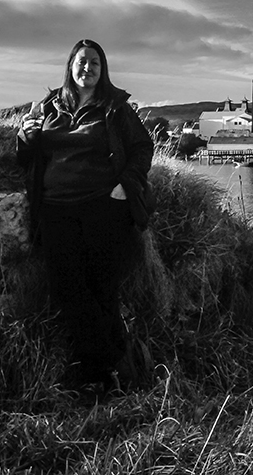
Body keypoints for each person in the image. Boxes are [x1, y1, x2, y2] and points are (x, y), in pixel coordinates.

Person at [16, 38, 155, 391]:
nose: (87, 68)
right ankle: (116, 362)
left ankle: (95, 376)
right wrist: (25, 135)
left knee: (101, 288)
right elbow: (24, 157)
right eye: (81, 62)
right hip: (55, 208)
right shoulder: (50, 107)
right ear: (70, 66)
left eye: (95, 63)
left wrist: (125, 184)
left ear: (102, 69)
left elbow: (142, 147)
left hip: (103, 208)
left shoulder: (116, 108)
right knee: (69, 288)